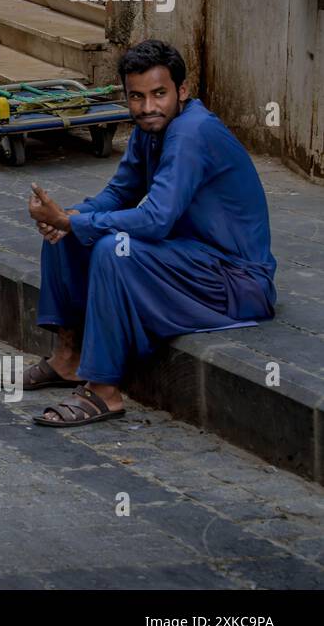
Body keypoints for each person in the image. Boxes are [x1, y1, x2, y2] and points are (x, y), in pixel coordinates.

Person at [25, 39, 277, 427]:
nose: (147, 107)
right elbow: (120, 192)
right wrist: (68, 216)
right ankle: (69, 359)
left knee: (112, 248)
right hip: (188, 260)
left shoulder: (192, 132)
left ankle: (104, 391)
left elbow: (157, 218)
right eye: (136, 97)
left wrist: (73, 220)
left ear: (182, 91)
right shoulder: (151, 129)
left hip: (236, 281)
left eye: (159, 94)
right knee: (70, 233)